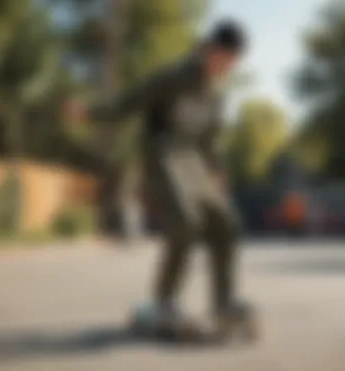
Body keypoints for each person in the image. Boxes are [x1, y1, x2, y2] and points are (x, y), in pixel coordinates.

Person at [86, 20, 250, 335]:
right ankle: (164, 303)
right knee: (186, 224)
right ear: (210, 50)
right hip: (161, 156)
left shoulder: (217, 93)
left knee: (226, 222)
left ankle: (223, 303)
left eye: (233, 62)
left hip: (194, 163)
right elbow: (130, 101)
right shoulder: (175, 77)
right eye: (225, 59)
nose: (227, 67)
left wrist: (217, 170)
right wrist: (91, 112)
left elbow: (210, 140)